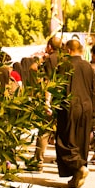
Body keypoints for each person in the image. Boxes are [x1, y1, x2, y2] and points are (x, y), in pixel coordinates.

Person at [56, 38, 95, 188]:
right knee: (81, 141)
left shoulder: (64, 65)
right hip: (86, 107)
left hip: (69, 106)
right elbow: (93, 89)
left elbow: (58, 88)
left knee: (65, 140)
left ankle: (79, 167)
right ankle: (76, 177)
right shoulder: (88, 66)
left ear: (68, 50)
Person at [31, 36, 62, 172]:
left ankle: (38, 161)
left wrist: (46, 101)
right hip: (63, 99)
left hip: (52, 99)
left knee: (44, 131)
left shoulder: (50, 60)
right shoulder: (65, 59)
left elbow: (48, 82)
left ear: (50, 46)